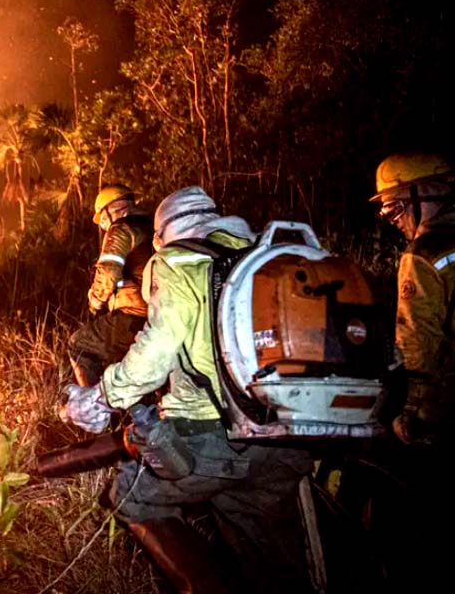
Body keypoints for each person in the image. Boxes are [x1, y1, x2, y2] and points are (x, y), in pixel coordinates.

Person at [63, 186, 313, 594]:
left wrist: (103, 396)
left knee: (130, 497)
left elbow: (157, 350)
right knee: (257, 535)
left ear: (161, 236)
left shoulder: (177, 261)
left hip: (216, 436)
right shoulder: (264, 259)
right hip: (287, 438)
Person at [368, 152, 455, 589]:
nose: (393, 218)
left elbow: (417, 343)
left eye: (396, 205)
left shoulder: (423, 256)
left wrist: (410, 413)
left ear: (427, 194)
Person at [65, 184, 153, 387]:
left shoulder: (121, 228)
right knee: (124, 368)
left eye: (103, 219)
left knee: (79, 345)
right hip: (159, 315)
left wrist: (95, 302)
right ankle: (137, 413)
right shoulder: (152, 226)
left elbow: (108, 271)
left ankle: (94, 411)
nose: (103, 225)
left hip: (134, 315)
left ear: (111, 209)